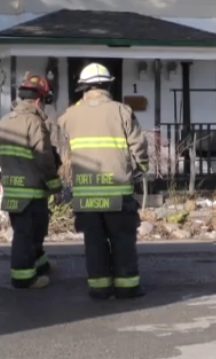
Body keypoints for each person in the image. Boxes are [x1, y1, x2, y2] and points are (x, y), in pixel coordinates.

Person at [58, 63, 149, 300]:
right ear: (109, 84)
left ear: (83, 87)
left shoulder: (69, 116)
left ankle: (99, 288)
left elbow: (62, 150)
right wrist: (143, 169)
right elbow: (139, 147)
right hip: (118, 192)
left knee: (94, 241)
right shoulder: (121, 111)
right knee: (122, 238)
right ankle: (127, 286)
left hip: (86, 193)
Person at [0, 74, 63, 289]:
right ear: (38, 100)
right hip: (32, 190)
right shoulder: (34, 122)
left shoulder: (4, 121)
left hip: (14, 190)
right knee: (27, 235)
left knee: (30, 230)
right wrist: (55, 184)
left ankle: (40, 265)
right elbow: (44, 157)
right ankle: (23, 278)